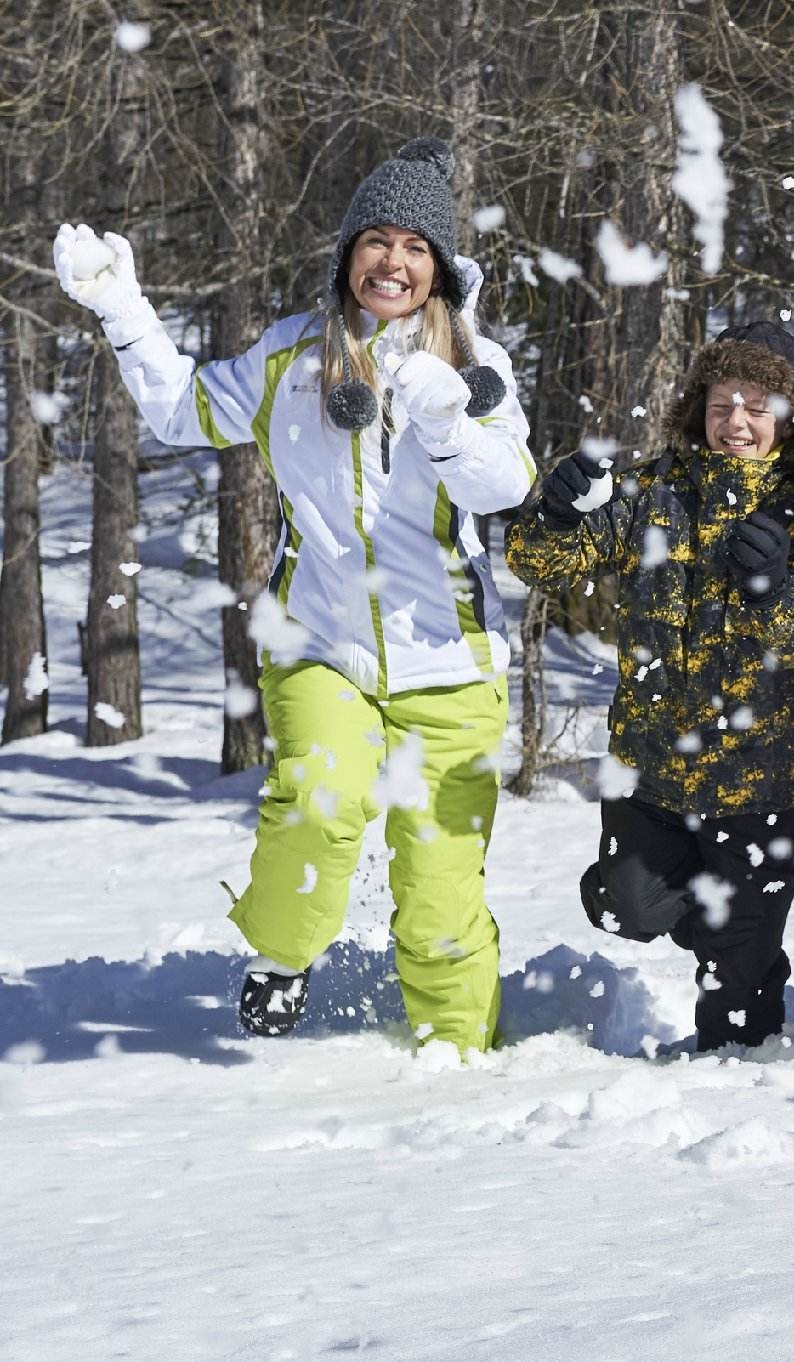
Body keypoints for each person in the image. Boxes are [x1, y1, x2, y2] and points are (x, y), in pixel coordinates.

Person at [50, 138, 536, 1053]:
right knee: (319, 803)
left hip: (452, 664)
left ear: (438, 270)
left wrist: (442, 424)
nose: (392, 262)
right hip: (323, 647)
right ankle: (282, 955)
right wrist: (122, 305)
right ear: (349, 253)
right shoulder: (293, 360)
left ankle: (460, 1055)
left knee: (440, 888)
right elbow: (179, 409)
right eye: (376, 241)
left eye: (415, 248)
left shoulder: (482, 367)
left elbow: (506, 484)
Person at [505, 321, 794, 1054]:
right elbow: (546, 566)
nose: (737, 421)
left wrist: (772, 593)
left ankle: (737, 1073)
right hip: (654, 771)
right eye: (724, 400)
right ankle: (732, 931)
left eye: (759, 405)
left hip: (765, 780)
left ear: (790, 418)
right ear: (699, 403)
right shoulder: (651, 492)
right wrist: (557, 511)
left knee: (739, 1005)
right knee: (624, 911)